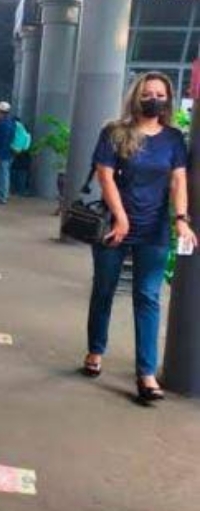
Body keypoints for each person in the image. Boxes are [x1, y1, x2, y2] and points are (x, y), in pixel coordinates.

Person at [80, 72, 197, 403]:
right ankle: (95, 350)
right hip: (114, 225)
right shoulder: (115, 132)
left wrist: (181, 219)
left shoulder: (173, 138)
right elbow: (105, 176)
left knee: (148, 297)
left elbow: (178, 181)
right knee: (104, 290)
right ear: (136, 96)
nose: (154, 100)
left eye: (160, 95)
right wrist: (121, 217)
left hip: (154, 229)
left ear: (168, 99)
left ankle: (146, 374)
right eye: (148, 94)